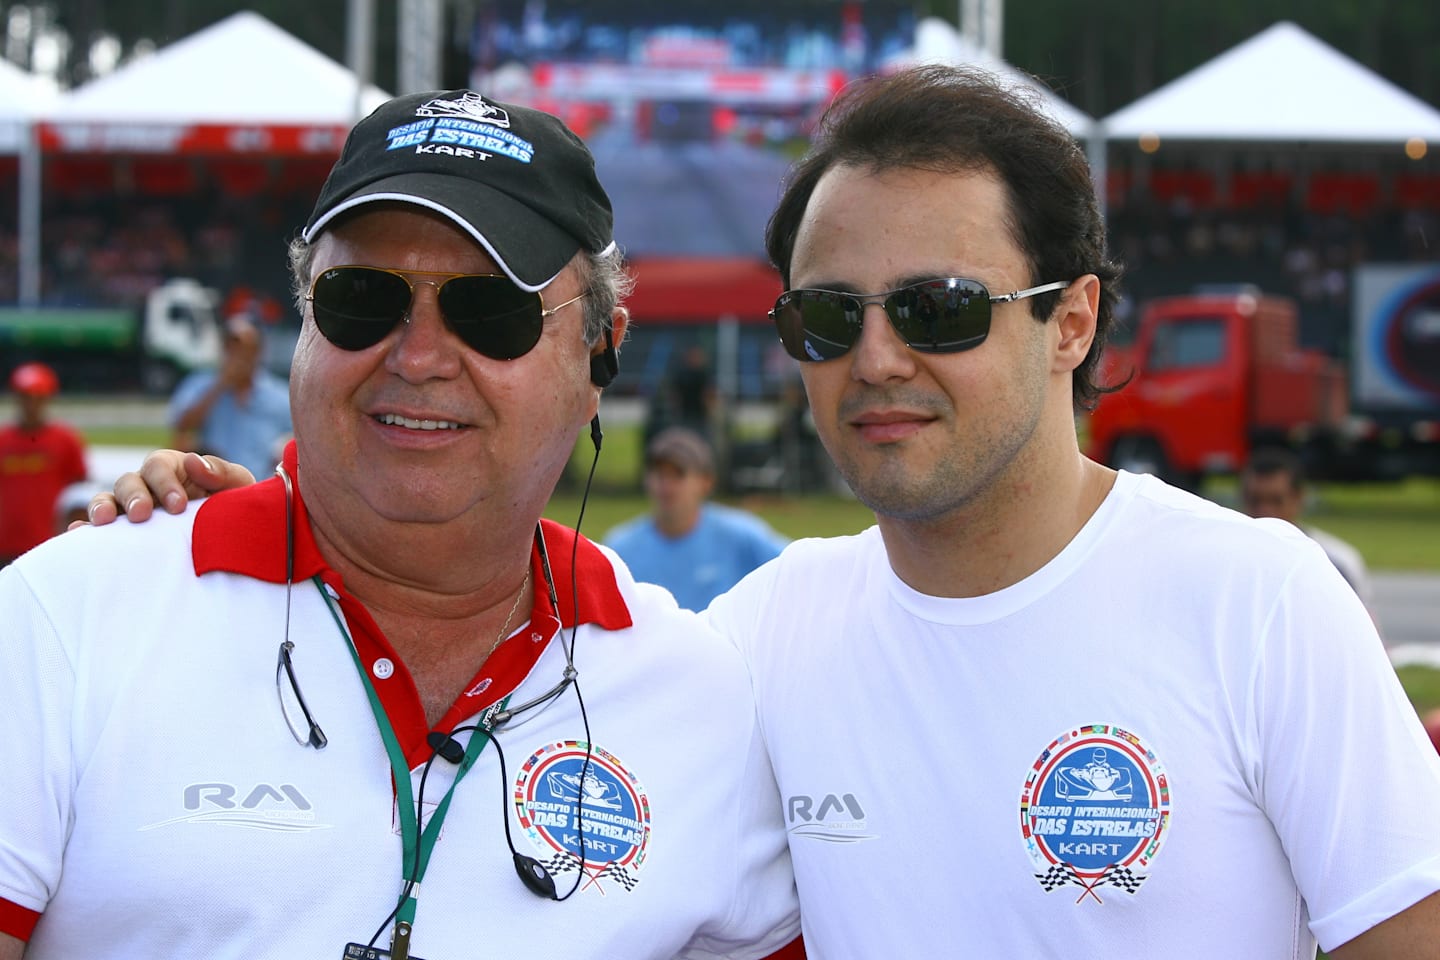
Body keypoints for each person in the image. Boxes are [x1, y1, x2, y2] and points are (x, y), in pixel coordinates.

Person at [88, 67, 1440, 958]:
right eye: (828, 316)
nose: (880, 357)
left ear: (1072, 318)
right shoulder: (752, 644)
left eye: (941, 309)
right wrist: (217, 513)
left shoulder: (1256, 603)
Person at [0, 89, 800, 959]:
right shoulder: (64, 618)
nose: (417, 358)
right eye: (361, 300)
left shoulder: (704, 696)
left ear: (600, 351)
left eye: (490, 310)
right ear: (305, 323)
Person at [605, 426, 788, 611]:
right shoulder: (620, 549)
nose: (666, 485)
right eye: (659, 474)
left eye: (678, 474)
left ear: (706, 482)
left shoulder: (741, 537)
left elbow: (795, 571)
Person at [1240, 445, 1375, 609]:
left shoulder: (1335, 562)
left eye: (1276, 501)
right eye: (1255, 501)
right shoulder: (1231, 560)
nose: (1264, 511)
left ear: (1299, 498)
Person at [168, 309, 293, 478]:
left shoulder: (279, 395)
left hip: (260, 484)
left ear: (258, 352)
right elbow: (181, 425)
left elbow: (296, 442)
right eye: (230, 348)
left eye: (244, 349)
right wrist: (220, 386)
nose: (237, 355)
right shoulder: (202, 384)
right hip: (216, 485)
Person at [0, 362, 87, 566]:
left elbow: (79, 493)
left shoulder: (65, 441)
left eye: (37, 397)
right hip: (5, 543)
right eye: (25, 397)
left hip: (47, 542)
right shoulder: (3, 440)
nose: (31, 405)